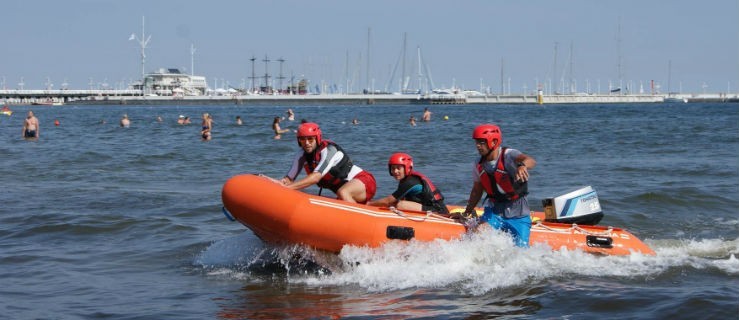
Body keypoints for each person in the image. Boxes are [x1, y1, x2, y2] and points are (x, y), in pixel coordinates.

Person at [461, 124, 536, 247]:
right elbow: (477, 191)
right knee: (477, 234)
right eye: (476, 142)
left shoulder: (509, 155)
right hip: (494, 213)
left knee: (521, 250)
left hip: (519, 215)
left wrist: (522, 165)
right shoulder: (478, 164)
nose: (478, 146)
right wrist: (467, 212)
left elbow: (530, 160)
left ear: (494, 141)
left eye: (481, 142)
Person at [279, 122, 376, 204]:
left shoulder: (329, 150)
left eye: (310, 139)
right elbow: (288, 179)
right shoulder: (301, 155)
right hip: (345, 190)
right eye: (302, 139)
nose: (306, 143)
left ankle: (358, 221)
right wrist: (276, 183)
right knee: (342, 193)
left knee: (343, 192)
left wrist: (287, 188)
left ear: (317, 138)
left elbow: (316, 177)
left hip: (364, 181)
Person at [368, 152, 448, 214]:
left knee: (401, 205)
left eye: (398, 168)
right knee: (397, 204)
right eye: (393, 168)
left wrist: (368, 204)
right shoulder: (406, 180)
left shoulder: (410, 182)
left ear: (406, 168)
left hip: (437, 210)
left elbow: (389, 200)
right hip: (429, 207)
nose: (395, 171)